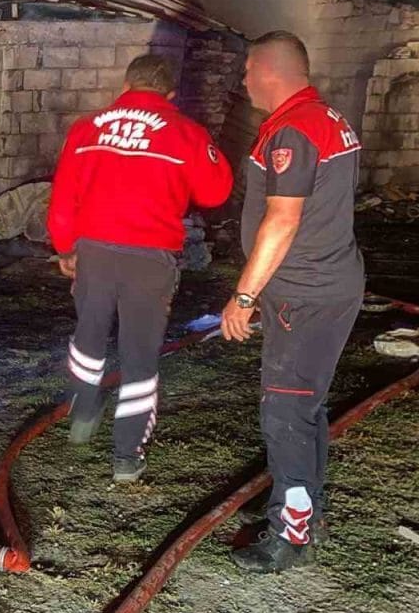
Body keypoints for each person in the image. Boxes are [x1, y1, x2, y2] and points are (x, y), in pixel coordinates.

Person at [47, 54, 233, 482]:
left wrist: (65, 248)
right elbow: (215, 192)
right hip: (150, 260)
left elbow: (62, 198)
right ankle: (126, 456)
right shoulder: (186, 132)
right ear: (170, 92)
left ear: (126, 83)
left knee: (88, 334)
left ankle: (84, 411)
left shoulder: (87, 128)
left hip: (93, 252)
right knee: (139, 355)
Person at [221, 30, 364, 573]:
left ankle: (290, 533)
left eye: (248, 70)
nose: (243, 80)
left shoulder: (293, 129)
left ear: (270, 70)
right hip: (325, 285)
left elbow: (283, 219)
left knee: (284, 410)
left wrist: (245, 294)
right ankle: (306, 511)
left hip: (304, 297)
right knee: (304, 406)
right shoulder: (326, 118)